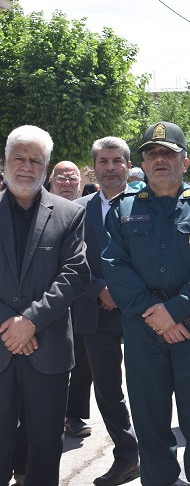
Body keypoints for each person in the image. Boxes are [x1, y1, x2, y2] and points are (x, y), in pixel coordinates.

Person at [102, 122, 190, 486]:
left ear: (185, 162)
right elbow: (114, 266)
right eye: (152, 154)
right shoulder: (122, 209)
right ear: (143, 164)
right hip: (143, 329)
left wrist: (173, 312)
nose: (160, 159)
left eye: (168, 153)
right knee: (149, 420)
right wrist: (156, 315)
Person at [0, 125, 90, 485]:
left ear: (46, 167)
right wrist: (10, 324)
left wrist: (30, 322)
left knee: (46, 446)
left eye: (35, 160)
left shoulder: (69, 214)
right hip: (1, 344)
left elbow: (75, 274)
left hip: (48, 350)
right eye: (19, 158)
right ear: (5, 161)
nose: (26, 166)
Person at [73, 137, 141, 486]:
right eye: (103, 161)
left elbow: (155, 258)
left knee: (148, 386)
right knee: (107, 390)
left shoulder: (148, 204)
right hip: (94, 311)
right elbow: (70, 260)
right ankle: (128, 456)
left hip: (141, 312)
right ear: (94, 167)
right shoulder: (75, 210)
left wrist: (123, 293)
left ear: (128, 166)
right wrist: (99, 288)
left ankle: (157, 454)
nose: (111, 167)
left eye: (117, 161)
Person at [47, 159, 97, 439]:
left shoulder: (87, 210)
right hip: (46, 299)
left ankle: (74, 415)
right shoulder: (38, 209)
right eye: (61, 178)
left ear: (79, 183)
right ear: (51, 181)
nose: (67, 183)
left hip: (83, 298)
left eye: (72, 178)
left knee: (82, 361)